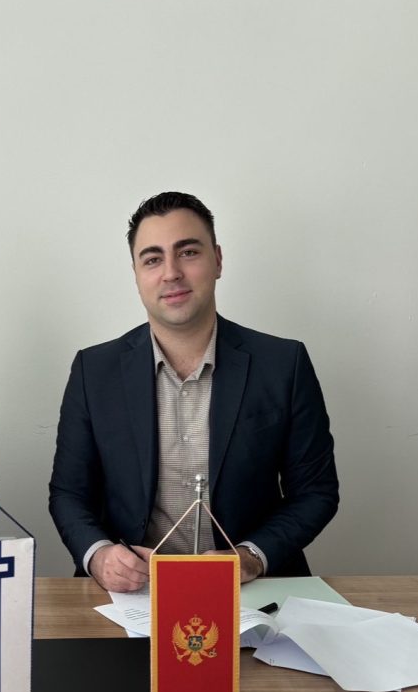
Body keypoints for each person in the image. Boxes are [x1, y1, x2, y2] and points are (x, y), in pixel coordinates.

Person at [49, 192, 338, 593]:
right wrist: (98, 555)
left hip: (253, 589)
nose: (171, 273)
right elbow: (68, 494)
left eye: (187, 252)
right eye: (152, 259)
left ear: (217, 260)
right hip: (134, 594)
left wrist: (251, 557)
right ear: (136, 274)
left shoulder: (283, 364)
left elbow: (316, 493)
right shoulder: (93, 371)